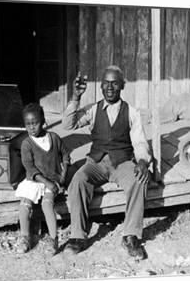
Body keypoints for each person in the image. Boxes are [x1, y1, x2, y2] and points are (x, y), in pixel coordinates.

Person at [62, 66, 151, 260]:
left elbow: (139, 141)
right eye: (106, 83)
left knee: (139, 180)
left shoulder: (132, 113)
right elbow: (68, 125)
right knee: (78, 179)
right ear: (101, 86)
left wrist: (143, 161)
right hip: (97, 162)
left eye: (115, 83)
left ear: (122, 86)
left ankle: (131, 236)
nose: (110, 87)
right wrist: (76, 98)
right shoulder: (93, 110)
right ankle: (78, 236)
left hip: (122, 162)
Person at [15, 103, 70, 255]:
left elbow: (65, 155)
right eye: (28, 124)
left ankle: (53, 239)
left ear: (44, 121)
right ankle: (25, 236)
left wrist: (63, 176)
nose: (32, 127)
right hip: (35, 180)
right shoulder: (26, 144)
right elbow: (30, 168)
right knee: (25, 205)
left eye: (35, 123)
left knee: (47, 204)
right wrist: (46, 182)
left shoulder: (54, 138)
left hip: (53, 179)